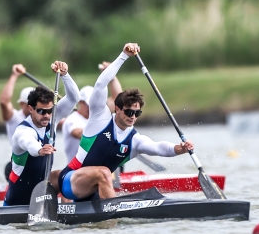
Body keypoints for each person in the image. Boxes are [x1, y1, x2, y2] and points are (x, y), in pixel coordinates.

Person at [50, 43, 194, 202]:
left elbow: (159, 148)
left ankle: (108, 216)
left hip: (94, 191)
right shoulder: (100, 118)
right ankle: (116, 220)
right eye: (128, 111)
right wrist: (124, 56)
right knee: (104, 172)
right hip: (71, 181)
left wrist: (179, 148)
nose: (132, 116)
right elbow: (100, 85)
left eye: (136, 113)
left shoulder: (135, 140)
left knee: (104, 175)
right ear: (117, 109)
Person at [4, 61, 80, 206]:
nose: (46, 115)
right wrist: (40, 150)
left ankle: (71, 208)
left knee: (62, 176)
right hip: (18, 199)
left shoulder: (53, 119)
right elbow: (29, 143)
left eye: (49, 111)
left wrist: (65, 74)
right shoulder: (23, 131)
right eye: (41, 111)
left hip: (40, 194)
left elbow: (73, 98)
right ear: (31, 109)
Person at [61, 70, 122, 164]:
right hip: (76, 171)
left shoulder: (99, 115)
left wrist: (111, 76)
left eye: (94, 105)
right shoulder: (72, 120)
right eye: (89, 105)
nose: (93, 108)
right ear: (80, 102)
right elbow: (78, 134)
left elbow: (118, 100)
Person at [0, 64, 33, 181]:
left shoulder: (42, 118)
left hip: (37, 163)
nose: (31, 107)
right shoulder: (14, 117)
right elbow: (4, 102)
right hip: (17, 165)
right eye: (28, 104)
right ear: (22, 104)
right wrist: (14, 75)